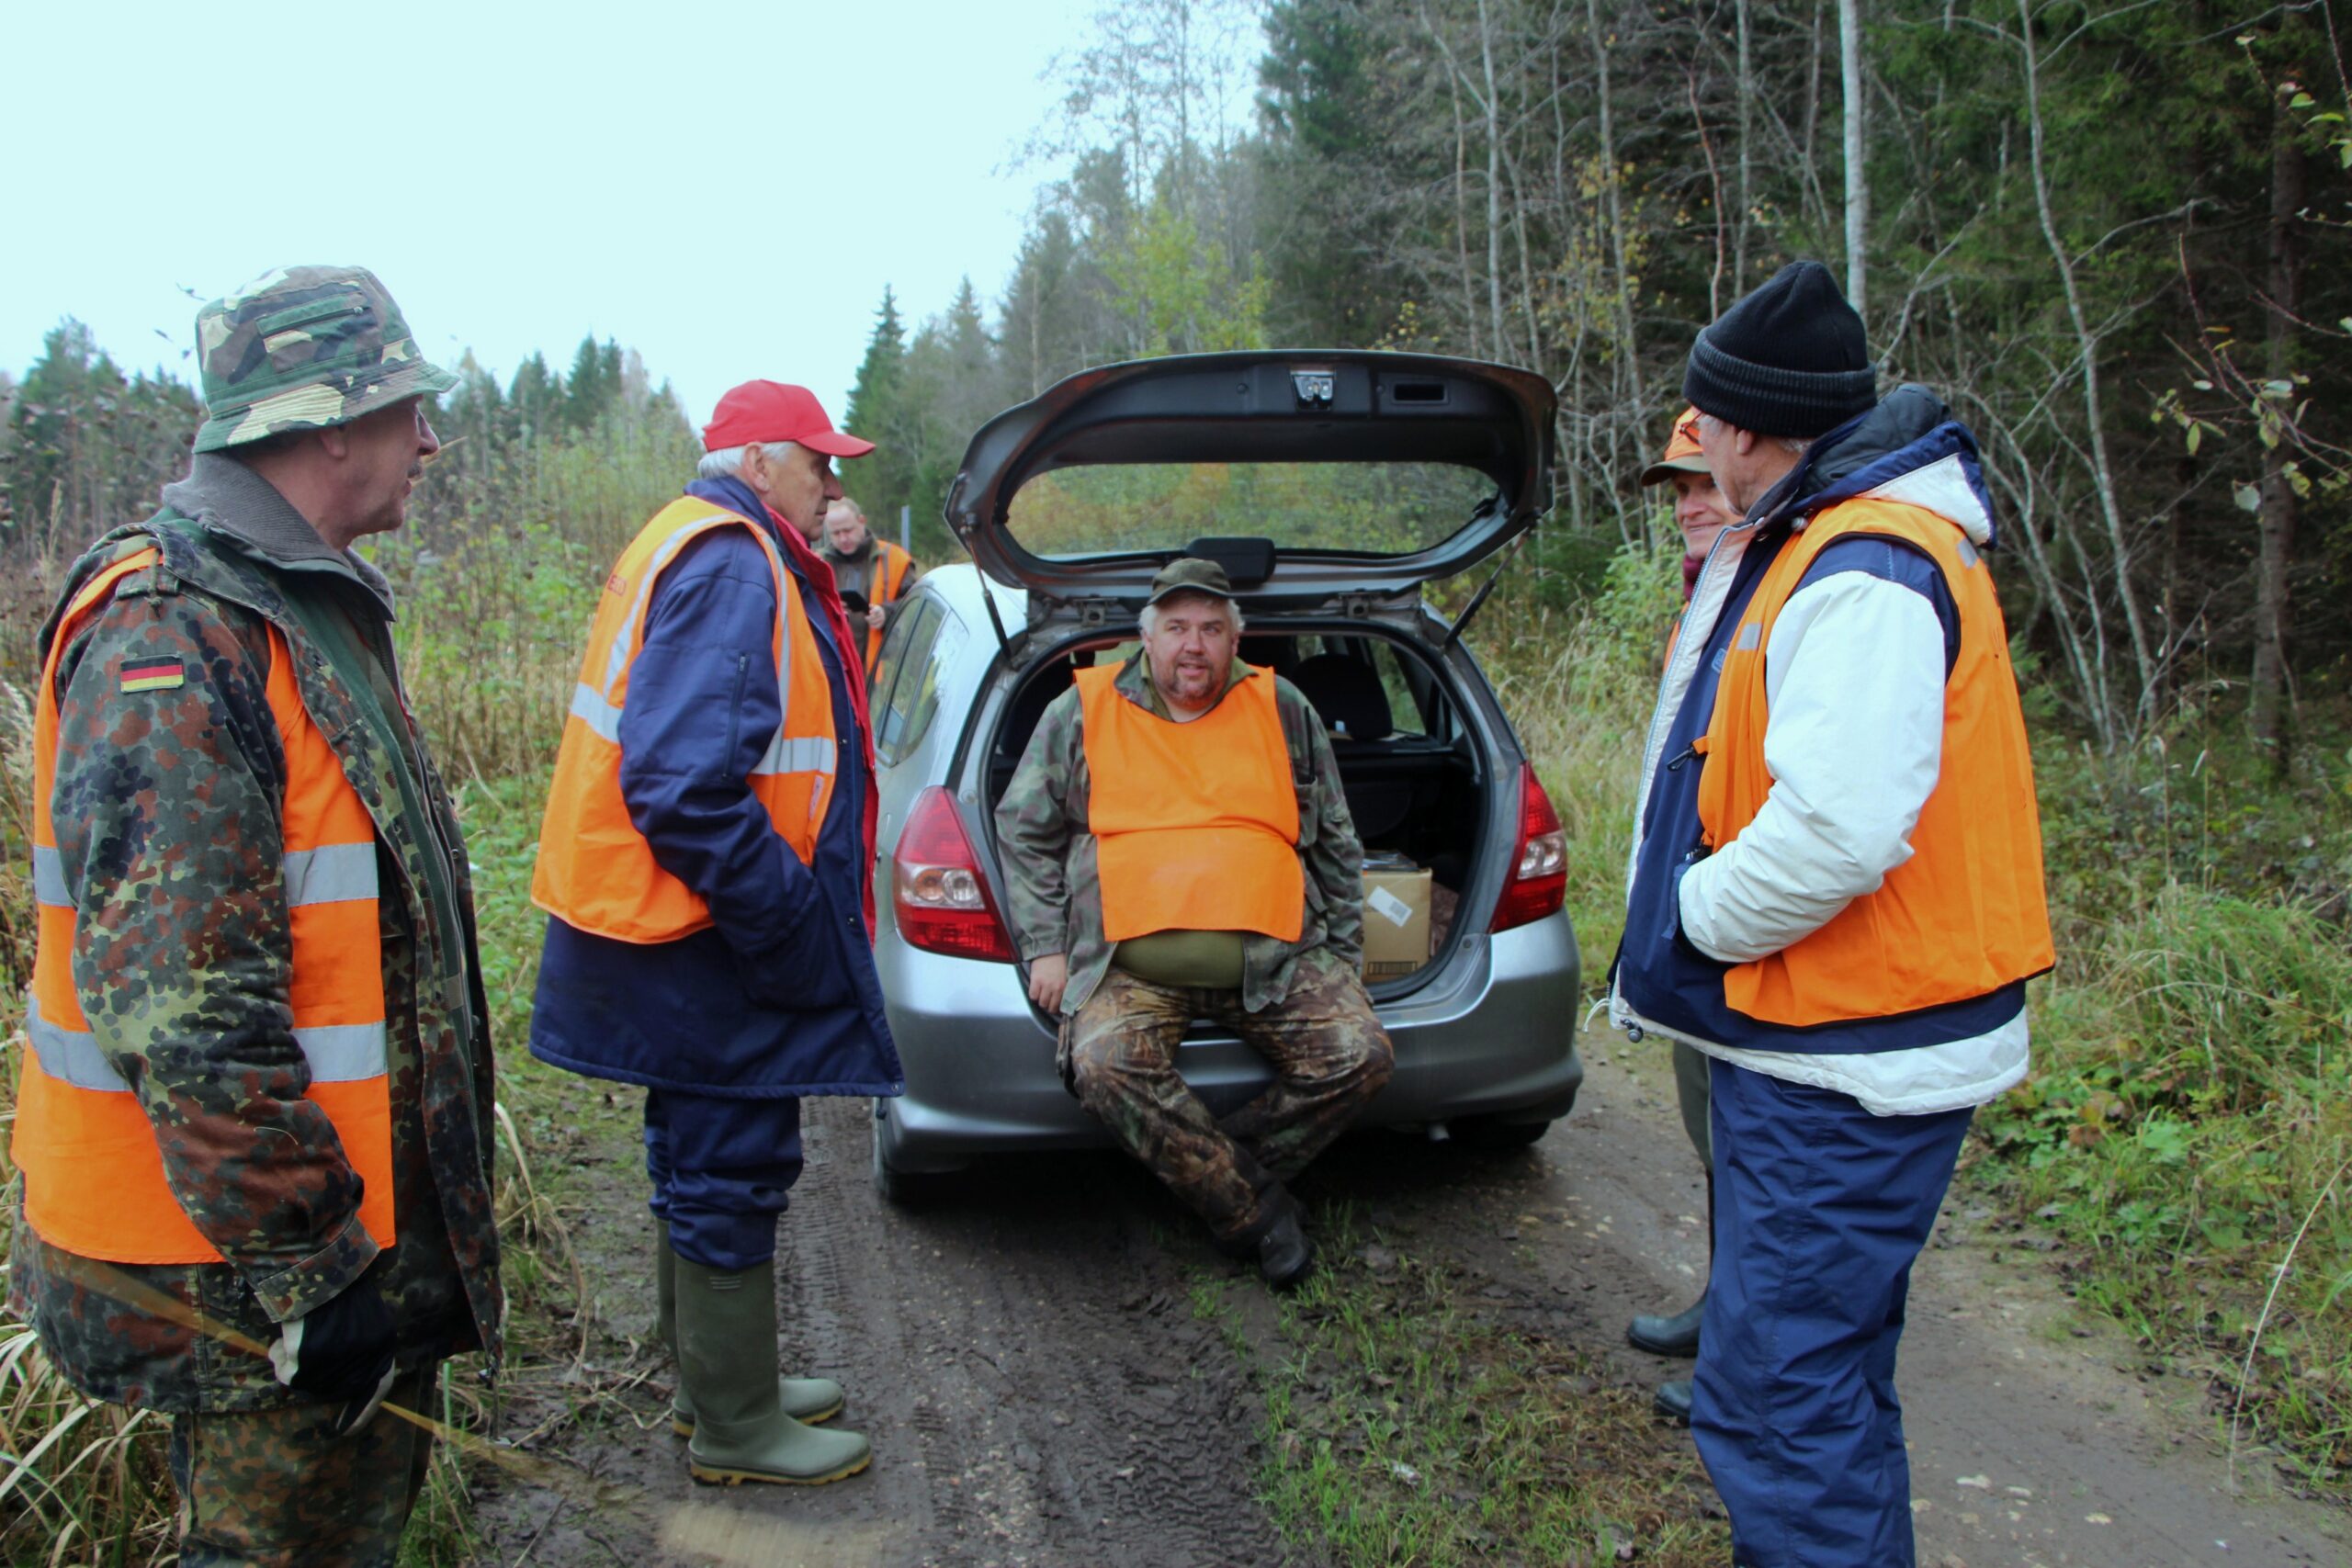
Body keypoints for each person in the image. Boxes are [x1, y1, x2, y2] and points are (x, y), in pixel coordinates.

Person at [10, 265, 502, 1564]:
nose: (430, 441)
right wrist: (313, 1269)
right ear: (329, 422)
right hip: (236, 1280)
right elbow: (182, 1007)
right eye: (407, 408)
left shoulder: (292, 606)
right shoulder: (173, 630)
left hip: (308, 1248)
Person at [1611, 260, 2053, 1567]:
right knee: (1825, 1386)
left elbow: (1838, 831)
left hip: (1844, 1063)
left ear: (1748, 429)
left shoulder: (1864, 566)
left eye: (1707, 425)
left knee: (1780, 1405)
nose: (1701, 449)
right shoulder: (1824, 538)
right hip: (1829, 1041)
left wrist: (1691, 917)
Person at [528, 378, 901, 1488]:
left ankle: (712, 1386)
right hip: (709, 930)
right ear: (757, 464)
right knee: (732, 1160)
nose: (831, 481)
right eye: (816, 461)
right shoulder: (734, 562)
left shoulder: (692, 537)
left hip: (669, 923)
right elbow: (686, 786)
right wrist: (785, 921)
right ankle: (737, 1426)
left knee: (694, 1152)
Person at [995, 558, 1395, 1289]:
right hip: (1129, 965)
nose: (1193, 645)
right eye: (1177, 627)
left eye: (1211, 629)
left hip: (1273, 958)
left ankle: (1204, 1175)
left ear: (1236, 639)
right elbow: (1023, 829)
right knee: (1103, 1065)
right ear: (1146, 637)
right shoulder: (1083, 709)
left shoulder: (1282, 707)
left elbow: (1336, 838)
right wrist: (1046, 946)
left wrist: (1343, 952)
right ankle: (1257, 1211)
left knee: (1361, 1054)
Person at [1625, 405, 1742, 1425]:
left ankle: (1745, 1363)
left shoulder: (1776, 591)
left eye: (1705, 482)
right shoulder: (1700, 599)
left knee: (1755, 1146)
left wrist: (1708, 899)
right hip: (1694, 916)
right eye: (1680, 489)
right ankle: (1721, 1307)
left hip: (1744, 918)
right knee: (1711, 1129)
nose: (1689, 506)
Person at [818, 495, 920, 671]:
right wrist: (828, 608)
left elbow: (916, 604)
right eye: (836, 533)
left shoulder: (896, 559)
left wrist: (886, 612)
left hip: (883, 676)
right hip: (832, 672)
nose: (843, 538)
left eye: (848, 530)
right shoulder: (815, 564)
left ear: (862, 521)